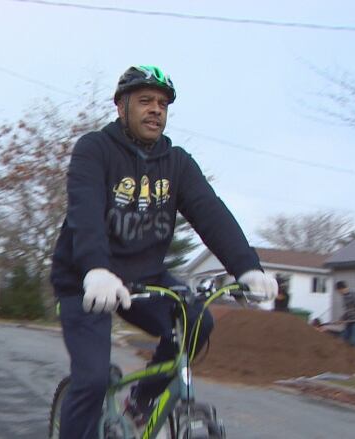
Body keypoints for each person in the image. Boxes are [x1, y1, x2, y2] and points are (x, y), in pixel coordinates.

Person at [50, 65, 278, 439]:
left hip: (146, 278)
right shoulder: (95, 149)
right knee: (90, 381)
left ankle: (141, 401)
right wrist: (95, 268)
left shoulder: (178, 163)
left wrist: (247, 268)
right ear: (121, 107)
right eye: (145, 101)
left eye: (162, 104)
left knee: (198, 322)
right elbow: (84, 212)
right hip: (85, 280)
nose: (156, 109)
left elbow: (211, 213)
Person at [335, 280, 355, 347]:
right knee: (344, 337)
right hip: (350, 321)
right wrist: (341, 319)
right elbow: (347, 311)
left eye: (338, 291)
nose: (338, 292)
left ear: (341, 289)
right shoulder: (345, 297)